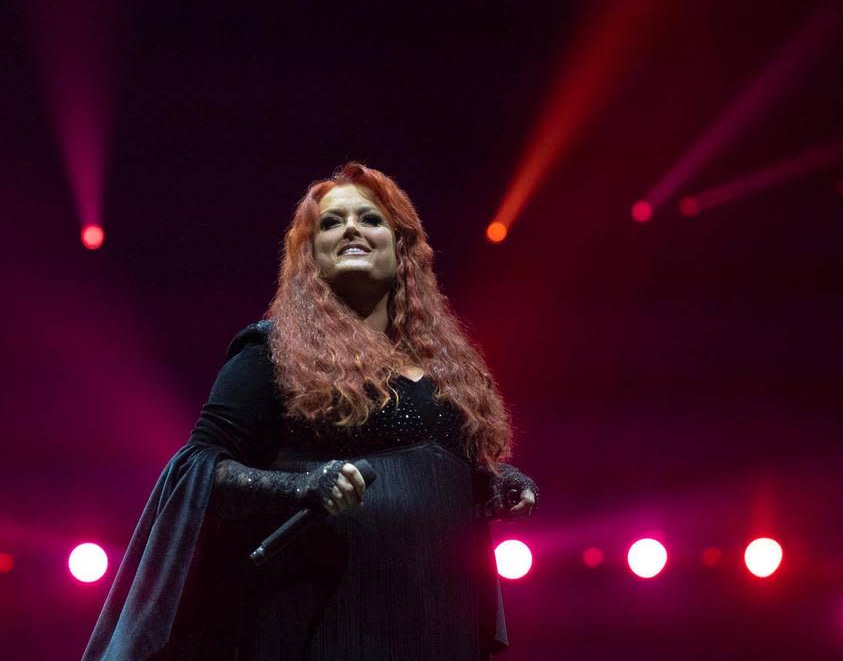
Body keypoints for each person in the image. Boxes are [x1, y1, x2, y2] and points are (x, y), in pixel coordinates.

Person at [82, 162, 538, 661]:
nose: (350, 230)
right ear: (311, 255)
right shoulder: (271, 352)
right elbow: (197, 470)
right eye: (331, 222)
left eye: (370, 219)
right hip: (320, 623)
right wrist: (300, 486)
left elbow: (436, 471)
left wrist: (491, 482)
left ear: (403, 246)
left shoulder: (447, 369)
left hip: (439, 623)